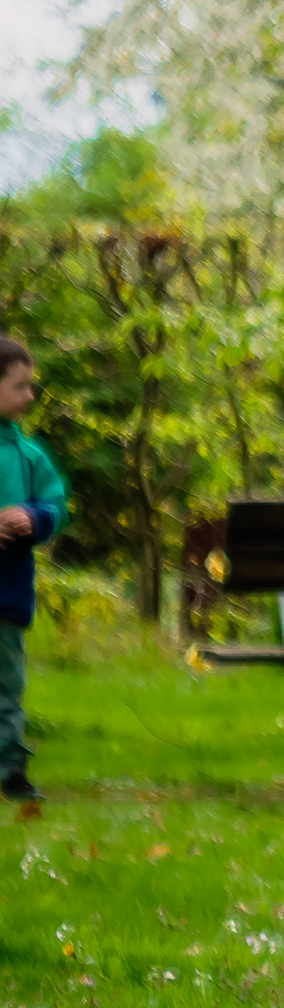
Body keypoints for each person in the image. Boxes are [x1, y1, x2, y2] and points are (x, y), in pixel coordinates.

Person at [0, 336, 63, 807]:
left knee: (7, 683)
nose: (30, 396)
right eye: (20, 386)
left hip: (8, 591)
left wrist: (35, 518)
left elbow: (55, 503)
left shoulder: (29, 454)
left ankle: (10, 769)